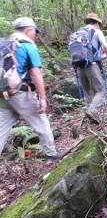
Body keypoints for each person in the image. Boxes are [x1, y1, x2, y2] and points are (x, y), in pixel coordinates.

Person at [0, 17, 62, 160]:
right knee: (41, 122)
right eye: (35, 32)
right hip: (20, 93)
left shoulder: (3, 43)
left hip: (2, 94)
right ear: (29, 30)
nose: (35, 35)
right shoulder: (27, 45)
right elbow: (35, 73)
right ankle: (51, 154)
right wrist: (43, 98)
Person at [77, 13, 107, 123]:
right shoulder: (96, 32)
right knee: (100, 92)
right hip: (92, 65)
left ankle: (91, 120)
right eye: (99, 24)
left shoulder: (78, 33)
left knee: (87, 92)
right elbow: (105, 46)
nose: (99, 26)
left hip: (79, 66)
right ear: (96, 23)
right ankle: (91, 112)